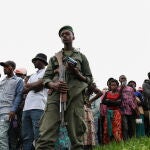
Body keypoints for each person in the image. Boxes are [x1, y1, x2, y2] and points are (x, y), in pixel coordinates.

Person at [36, 25, 93, 150]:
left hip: (75, 97)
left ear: (73, 36)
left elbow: (89, 79)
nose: (65, 36)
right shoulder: (54, 58)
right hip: (55, 96)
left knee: (76, 135)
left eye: (67, 34)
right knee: (46, 133)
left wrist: (77, 73)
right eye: (62, 35)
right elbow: (46, 78)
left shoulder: (81, 57)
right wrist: (52, 84)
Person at [22, 53, 48, 150]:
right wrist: (33, 85)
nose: (34, 62)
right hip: (27, 108)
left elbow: (38, 87)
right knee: (27, 136)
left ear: (42, 61)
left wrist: (29, 86)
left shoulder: (46, 72)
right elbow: (24, 90)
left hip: (38, 107)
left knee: (38, 135)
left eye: (35, 60)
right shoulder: (33, 75)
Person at [0, 61, 24, 150]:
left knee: (2, 136)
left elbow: (19, 95)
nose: (4, 68)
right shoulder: (2, 81)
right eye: (3, 67)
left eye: (6, 66)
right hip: (0, 110)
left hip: (8, 112)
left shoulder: (18, 80)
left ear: (12, 68)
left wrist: (13, 110)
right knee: (4, 136)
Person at [8, 67, 28, 150]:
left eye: (20, 75)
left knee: (22, 134)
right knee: (12, 132)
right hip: (13, 114)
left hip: (22, 114)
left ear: (24, 76)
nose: (18, 76)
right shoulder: (14, 85)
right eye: (17, 74)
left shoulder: (26, 85)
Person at [118, 75, 139, 140]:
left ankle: (132, 139)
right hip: (123, 110)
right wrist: (121, 88)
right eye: (122, 78)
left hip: (132, 109)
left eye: (124, 78)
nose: (123, 80)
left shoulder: (130, 88)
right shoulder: (118, 88)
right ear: (119, 80)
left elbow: (134, 99)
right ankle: (126, 140)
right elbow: (117, 96)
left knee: (132, 126)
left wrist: (137, 109)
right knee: (125, 126)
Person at [102, 79, 122, 144]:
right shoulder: (107, 93)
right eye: (111, 85)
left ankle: (118, 142)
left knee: (116, 127)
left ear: (117, 86)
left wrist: (109, 101)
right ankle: (108, 143)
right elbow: (103, 102)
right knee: (107, 127)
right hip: (108, 112)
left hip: (116, 112)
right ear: (109, 86)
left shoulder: (119, 93)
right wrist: (114, 101)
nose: (113, 86)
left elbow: (119, 103)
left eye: (115, 85)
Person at [142, 72, 150, 137]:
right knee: (147, 122)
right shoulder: (145, 84)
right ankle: (147, 135)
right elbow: (148, 93)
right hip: (148, 107)